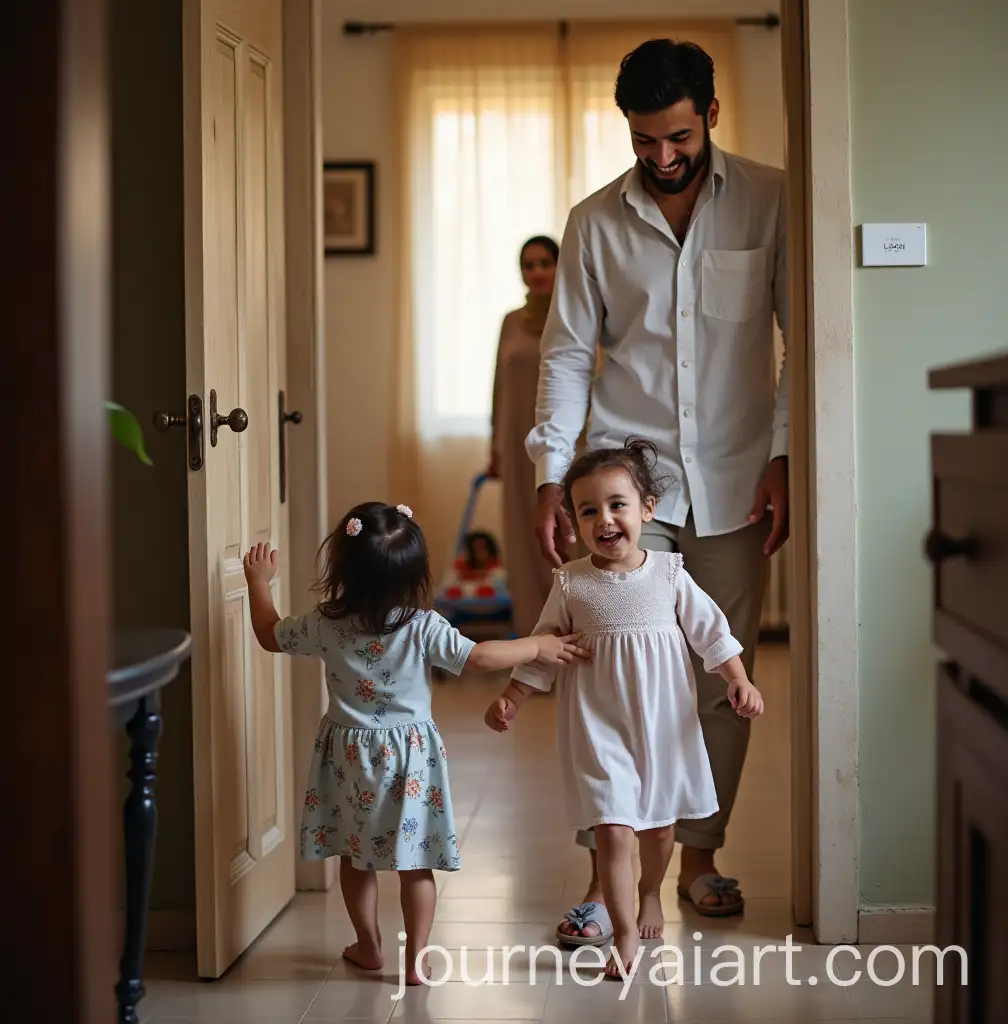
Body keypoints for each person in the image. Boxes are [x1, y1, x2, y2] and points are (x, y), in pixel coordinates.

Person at [526, 38, 789, 937]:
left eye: (678, 137)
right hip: (623, 486)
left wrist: (785, 455)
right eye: (644, 141)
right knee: (608, 677)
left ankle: (702, 858)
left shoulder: (774, 197)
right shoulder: (594, 222)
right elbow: (566, 353)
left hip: (736, 480)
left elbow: (804, 340)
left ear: (711, 114)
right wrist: (548, 474)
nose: (663, 158)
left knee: (719, 674)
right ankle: (608, 886)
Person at [241, 502, 589, 987]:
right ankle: (417, 959)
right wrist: (537, 647)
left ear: (342, 566)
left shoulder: (324, 623)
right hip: (411, 757)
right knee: (415, 863)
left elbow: (268, 634)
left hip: (348, 757)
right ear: (413, 574)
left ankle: (368, 945)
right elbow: (482, 658)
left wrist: (259, 582)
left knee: (355, 859)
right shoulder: (422, 626)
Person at [484, 439, 764, 977]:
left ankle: (651, 892)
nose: (605, 519)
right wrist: (512, 698)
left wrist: (739, 680)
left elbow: (713, 634)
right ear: (574, 521)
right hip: (598, 725)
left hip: (662, 725)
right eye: (589, 510)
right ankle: (626, 931)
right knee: (612, 828)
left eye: (618, 505)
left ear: (647, 511)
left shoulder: (668, 573)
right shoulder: (571, 582)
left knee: (659, 830)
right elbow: (544, 647)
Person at [489, 235, 562, 638]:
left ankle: (575, 636)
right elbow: (498, 386)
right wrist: (494, 446)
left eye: (544, 264)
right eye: (529, 265)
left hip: (565, 445)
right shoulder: (511, 321)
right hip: (517, 446)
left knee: (565, 538)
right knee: (523, 539)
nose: (536, 272)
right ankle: (536, 643)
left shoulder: (573, 314)